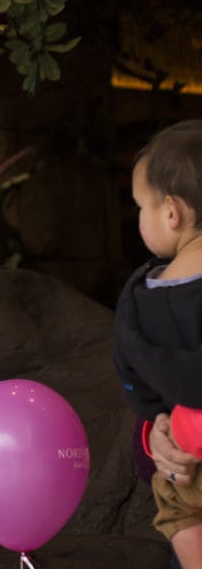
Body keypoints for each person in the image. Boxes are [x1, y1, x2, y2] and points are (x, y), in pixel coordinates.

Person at [114, 119, 202, 569]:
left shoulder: (142, 300)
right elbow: (147, 441)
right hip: (181, 443)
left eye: (139, 206)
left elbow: (133, 372)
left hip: (191, 451)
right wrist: (155, 435)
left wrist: (160, 416)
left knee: (178, 505)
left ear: (172, 213)